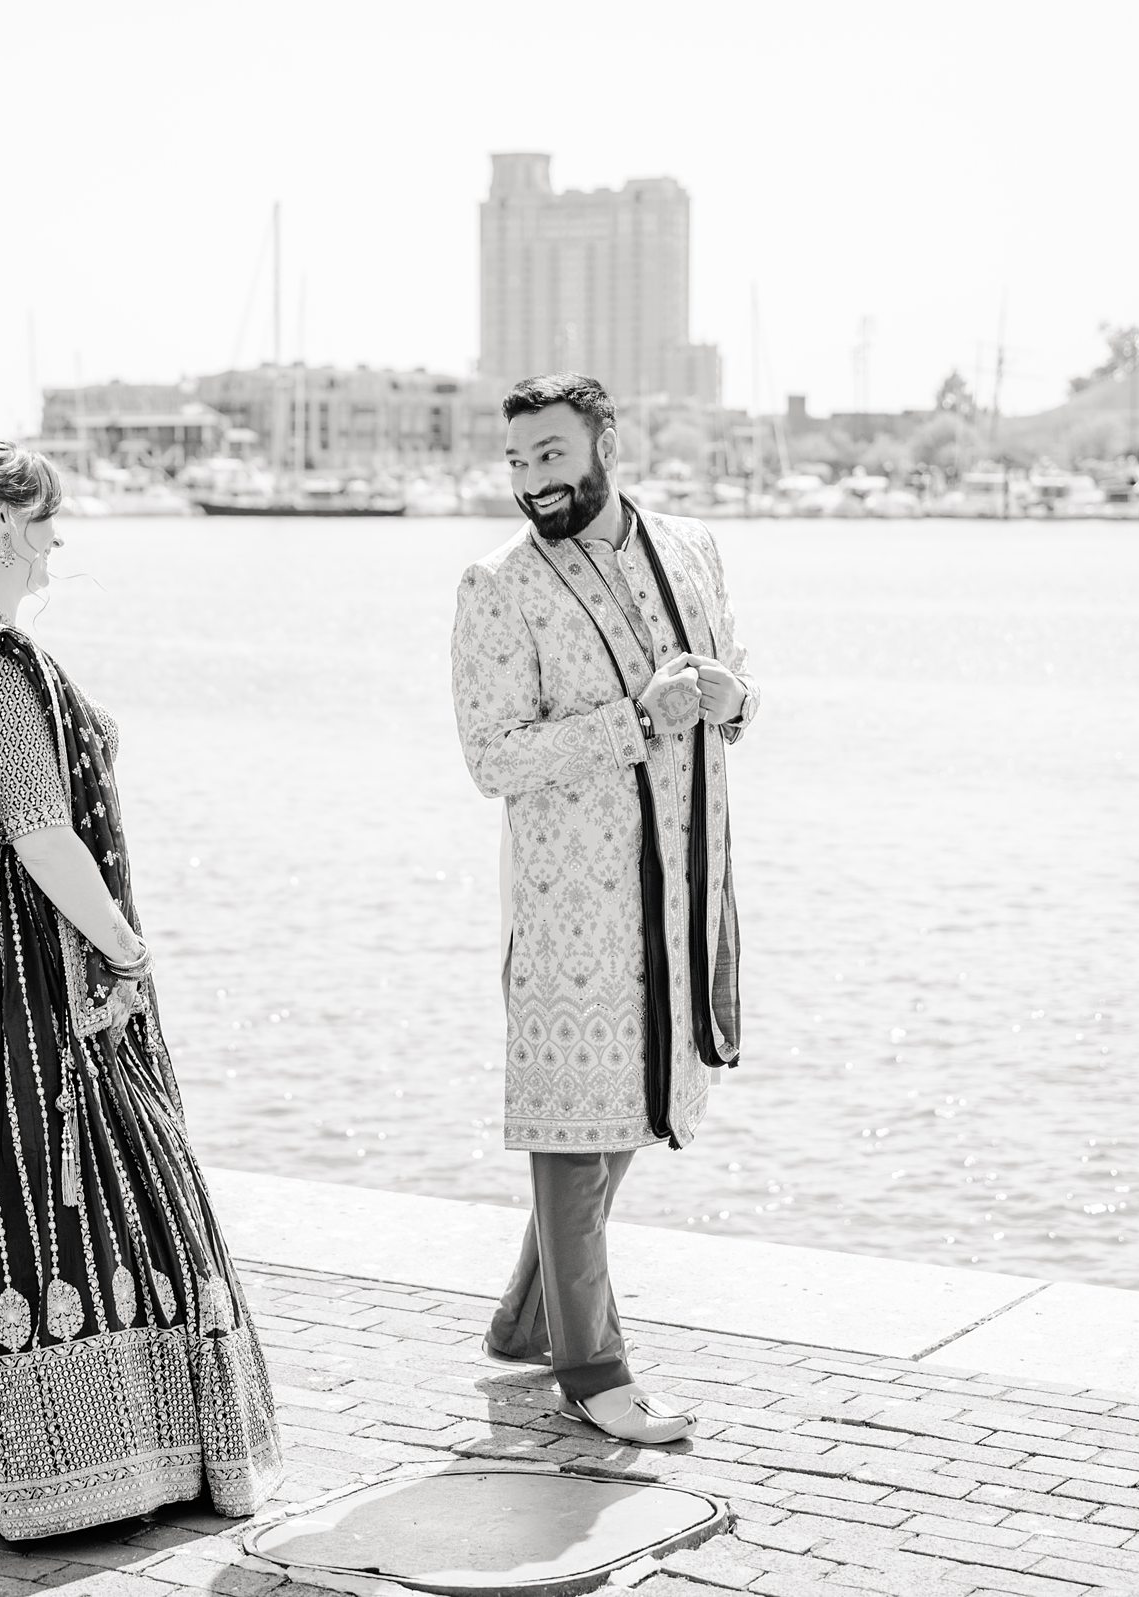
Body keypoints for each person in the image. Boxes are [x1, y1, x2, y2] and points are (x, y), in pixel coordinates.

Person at [0, 437, 282, 1538]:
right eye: (46, 519)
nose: (57, 539)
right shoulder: (2, 660)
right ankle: (105, 1459)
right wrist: (127, 949)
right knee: (105, 1181)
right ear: (1, 520)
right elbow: (44, 833)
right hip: (42, 975)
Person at [448, 374, 760, 1446]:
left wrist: (733, 697)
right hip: (574, 908)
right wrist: (637, 717)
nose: (534, 480)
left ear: (607, 441)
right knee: (576, 1131)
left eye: (551, 455)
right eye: (518, 461)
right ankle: (593, 1364)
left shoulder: (695, 548)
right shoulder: (498, 587)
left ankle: (527, 1318)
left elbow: (742, 682)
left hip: (683, 889)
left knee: (638, 1106)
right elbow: (493, 757)